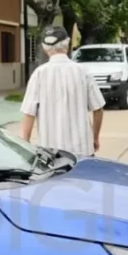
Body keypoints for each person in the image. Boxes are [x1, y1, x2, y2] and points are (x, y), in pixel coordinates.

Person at [19, 25, 105, 158]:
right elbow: (98, 108)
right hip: (82, 151)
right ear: (68, 43)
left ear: (44, 47)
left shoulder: (39, 74)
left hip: (51, 156)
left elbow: (29, 113)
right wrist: (95, 138)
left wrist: (26, 144)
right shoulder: (83, 72)